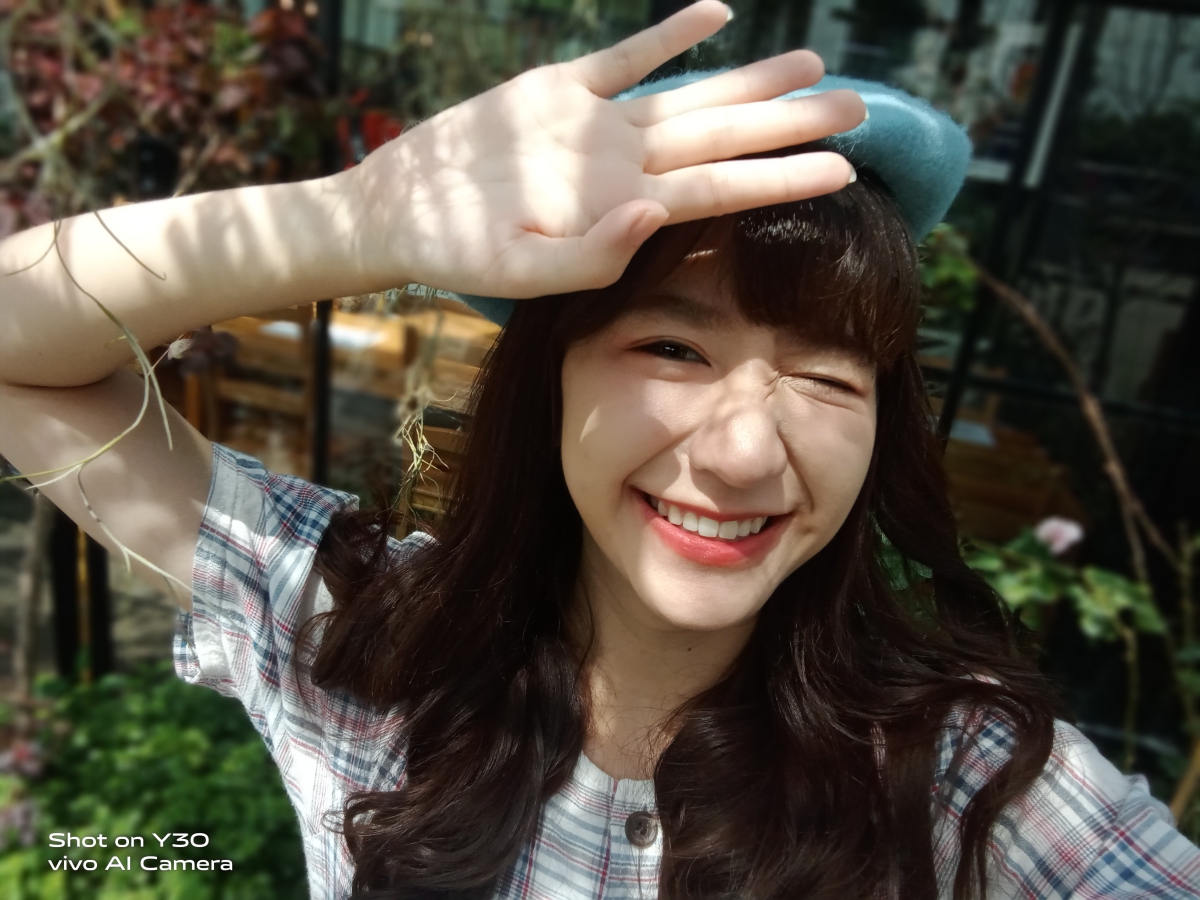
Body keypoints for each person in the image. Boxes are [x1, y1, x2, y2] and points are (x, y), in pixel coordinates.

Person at [1, 2, 1198, 898]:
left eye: (828, 374)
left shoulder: (966, 786)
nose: (744, 454)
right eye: (673, 348)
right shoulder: (363, 645)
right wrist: (356, 218)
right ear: (551, 376)